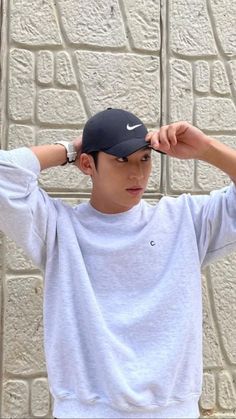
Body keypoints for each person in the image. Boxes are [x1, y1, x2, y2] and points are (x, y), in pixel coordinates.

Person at [0, 108, 236, 419]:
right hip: (85, 412)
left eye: (144, 158)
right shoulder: (58, 228)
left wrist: (206, 149)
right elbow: (6, 173)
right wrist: (69, 150)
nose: (136, 174)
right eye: (120, 160)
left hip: (172, 411)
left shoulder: (184, 220)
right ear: (88, 164)